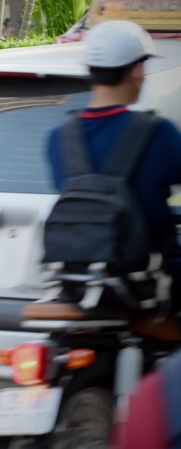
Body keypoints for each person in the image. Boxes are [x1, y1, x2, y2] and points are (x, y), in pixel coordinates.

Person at [46, 20, 181, 282]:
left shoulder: (58, 137)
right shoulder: (158, 132)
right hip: (151, 279)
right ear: (137, 70)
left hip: (78, 281)